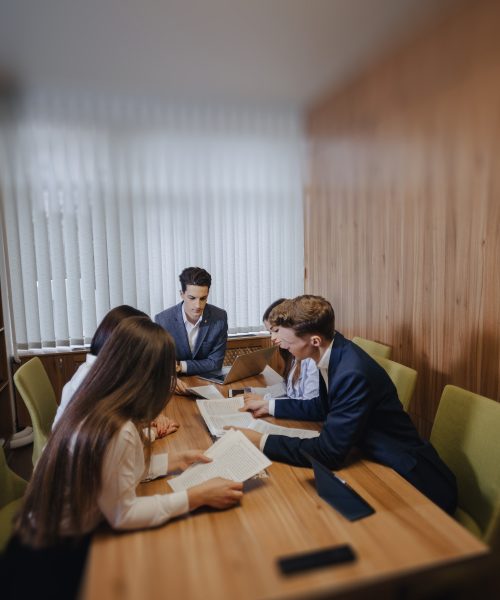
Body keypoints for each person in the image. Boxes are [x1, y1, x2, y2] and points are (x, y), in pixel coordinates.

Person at [15, 317, 243, 549]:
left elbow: (111, 470)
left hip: (41, 524)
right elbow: (123, 514)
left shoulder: (97, 400)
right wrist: (197, 497)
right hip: (57, 546)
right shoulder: (119, 427)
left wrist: (172, 461)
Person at [238, 295, 457, 515]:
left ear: (314, 340)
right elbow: (323, 407)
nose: (282, 346)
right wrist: (270, 407)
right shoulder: (333, 350)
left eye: (289, 342)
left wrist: (262, 441)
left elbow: (329, 454)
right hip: (366, 453)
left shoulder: (351, 373)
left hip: (409, 476)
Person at [53, 305, 178, 438]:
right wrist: (152, 433)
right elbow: (115, 440)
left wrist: (149, 417)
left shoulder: (96, 369)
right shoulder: (97, 382)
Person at [154, 267, 228, 377]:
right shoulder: (163, 320)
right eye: (192, 298)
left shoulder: (219, 318)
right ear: (182, 294)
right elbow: (162, 364)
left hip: (208, 382)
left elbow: (215, 363)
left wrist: (180, 365)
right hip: (175, 382)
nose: (198, 305)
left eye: (203, 298)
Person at [245, 298, 319, 402]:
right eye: (270, 333)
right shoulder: (292, 353)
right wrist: (250, 392)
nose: (272, 338)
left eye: (276, 330)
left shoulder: (310, 357)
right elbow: (287, 387)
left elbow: (308, 404)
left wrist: (266, 400)